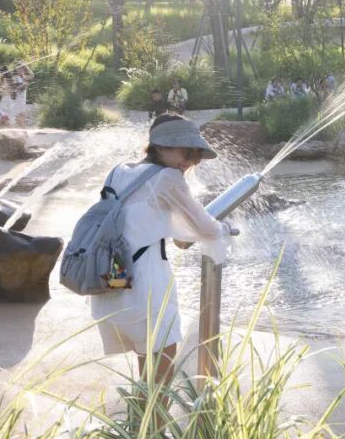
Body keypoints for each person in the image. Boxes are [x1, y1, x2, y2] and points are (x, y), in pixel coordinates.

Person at [90, 113, 238, 385]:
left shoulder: (119, 171)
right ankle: (152, 428)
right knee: (160, 381)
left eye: (195, 155)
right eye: (185, 150)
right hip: (145, 286)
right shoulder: (168, 177)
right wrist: (225, 229)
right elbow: (205, 228)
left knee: (147, 376)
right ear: (159, 146)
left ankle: (141, 428)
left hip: (112, 281)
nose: (189, 161)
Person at [0, 64, 30, 128]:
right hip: (8, 101)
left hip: (8, 102)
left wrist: (2, 90)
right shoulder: (10, 79)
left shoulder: (8, 79)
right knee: (8, 119)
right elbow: (11, 90)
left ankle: (17, 133)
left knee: (9, 119)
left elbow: (10, 90)